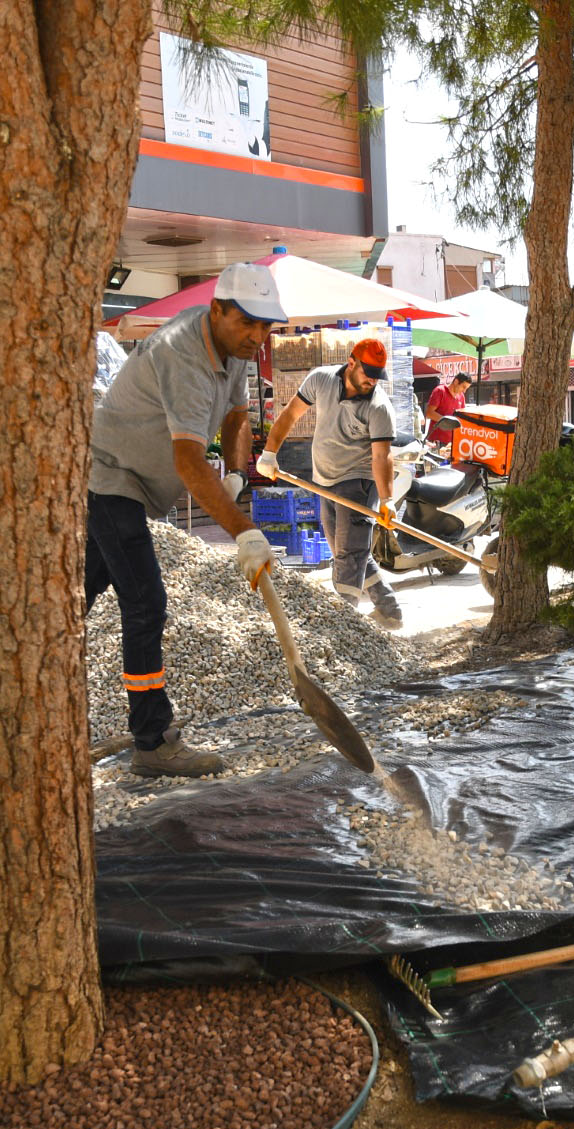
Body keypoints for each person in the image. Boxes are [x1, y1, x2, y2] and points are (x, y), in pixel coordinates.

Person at [88, 260, 284, 775]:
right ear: (217, 310)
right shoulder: (184, 354)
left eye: (266, 326)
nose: (256, 337)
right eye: (247, 322)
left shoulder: (234, 349)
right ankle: (152, 740)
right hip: (108, 478)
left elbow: (239, 415)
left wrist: (238, 474)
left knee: (72, 601)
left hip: (131, 486)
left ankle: (35, 712)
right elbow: (189, 463)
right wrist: (243, 532)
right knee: (146, 603)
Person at [257, 337, 404, 629]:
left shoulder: (379, 407)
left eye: (377, 377)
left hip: (358, 485)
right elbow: (290, 416)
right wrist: (270, 452)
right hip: (324, 481)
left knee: (349, 557)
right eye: (368, 374)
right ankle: (390, 612)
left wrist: (386, 500)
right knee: (346, 553)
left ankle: (340, 628)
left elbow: (381, 457)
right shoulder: (321, 379)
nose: (372, 382)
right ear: (352, 363)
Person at [426, 371, 470, 451]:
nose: (464, 391)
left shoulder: (461, 397)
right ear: (456, 381)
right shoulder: (440, 391)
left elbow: (462, 418)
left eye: (466, 388)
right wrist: (448, 422)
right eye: (463, 387)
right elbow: (429, 413)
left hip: (452, 443)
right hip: (436, 443)